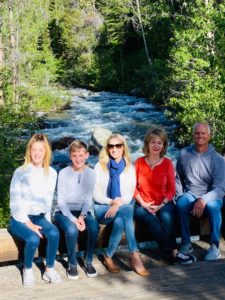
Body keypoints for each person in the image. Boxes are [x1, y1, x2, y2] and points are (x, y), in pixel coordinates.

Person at [134, 126, 196, 264]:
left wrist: (160, 205)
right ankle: (173, 253)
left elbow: (171, 190)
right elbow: (133, 188)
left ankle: (170, 254)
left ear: (163, 146)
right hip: (142, 205)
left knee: (168, 217)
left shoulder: (167, 163)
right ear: (147, 144)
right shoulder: (138, 163)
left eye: (159, 142)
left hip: (163, 202)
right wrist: (144, 204)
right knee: (153, 221)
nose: (156, 145)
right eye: (153, 142)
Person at [93, 133, 150, 277]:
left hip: (120, 207)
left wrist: (117, 204)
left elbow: (129, 194)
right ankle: (134, 254)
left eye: (118, 145)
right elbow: (95, 194)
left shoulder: (130, 168)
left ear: (123, 147)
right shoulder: (99, 167)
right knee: (127, 210)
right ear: (107, 148)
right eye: (111, 146)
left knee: (120, 219)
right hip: (102, 207)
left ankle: (108, 256)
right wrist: (111, 202)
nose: (114, 149)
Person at [9, 133, 62, 287]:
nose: (37, 153)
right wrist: (28, 224)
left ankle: (49, 270)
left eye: (41, 150)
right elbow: (15, 203)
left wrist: (48, 222)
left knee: (53, 233)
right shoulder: (20, 172)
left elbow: (49, 200)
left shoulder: (52, 173)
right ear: (29, 151)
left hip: (38, 217)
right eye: (34, 150)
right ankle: (27, 269)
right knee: (33, 239)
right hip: (19, 218)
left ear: (46, 152)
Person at [176, 122, 225, 260]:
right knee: (181, 204)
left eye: (203, 133)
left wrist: (203, 199)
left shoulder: (218, 159)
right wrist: (179, 196)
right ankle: (186, 243)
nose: (200, 136)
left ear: (209, 136)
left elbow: (220, 187)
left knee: (213, 206)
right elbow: (178, 178)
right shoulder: (184, 153)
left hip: (212, 194)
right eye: (197, 133)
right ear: (193, 135)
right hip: (191, 193)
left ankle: (214, 246)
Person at [54, 140, 99, 279]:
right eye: (75, 155)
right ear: (70, 156)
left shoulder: (91, 173)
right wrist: (74, 220)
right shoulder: (63, 173)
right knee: (72, 230)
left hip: (81, 211)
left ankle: (89, 260)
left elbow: (88, 198)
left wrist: (83, 216)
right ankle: (72, 264)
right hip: (63, 212)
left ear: (86, 155)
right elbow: (61, 201)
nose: (78, 159)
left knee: (94, 227)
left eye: (81, 155)